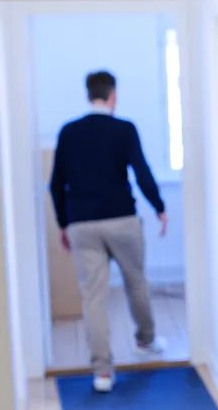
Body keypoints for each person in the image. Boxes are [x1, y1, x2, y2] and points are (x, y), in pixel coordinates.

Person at [48, 70, 167, 391]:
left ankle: (102, 372)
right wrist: (159, 206)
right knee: (136, 283)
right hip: (122, 220)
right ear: (112, 95)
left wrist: (63, 223)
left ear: (89, 95)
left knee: (94, 297)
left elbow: (56, 184)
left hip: (82, 224)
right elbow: (141, 171)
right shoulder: (124, 129)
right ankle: (146, 340)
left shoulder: (68, 132)